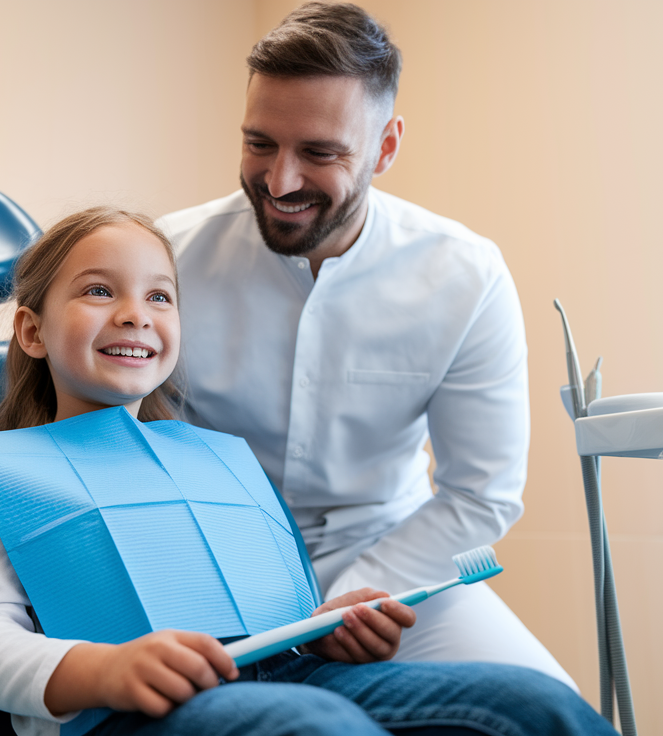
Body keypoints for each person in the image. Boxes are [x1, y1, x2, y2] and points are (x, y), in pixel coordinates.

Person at [0, 206, 614, 735]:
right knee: (314, 726)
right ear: (31, 332)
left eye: (160, 297)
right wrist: (104, 670)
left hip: (296, 679)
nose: (134, 315)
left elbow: (278, 622)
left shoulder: (216, 459)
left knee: (531, 702)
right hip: (132, 714)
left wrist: (329, 632)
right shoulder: (11, 478)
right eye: (98, 290)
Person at [158, 3, 572, 684]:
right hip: (209, 560)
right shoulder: (167, 258)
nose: (280, 180)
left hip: (392, 561)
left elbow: (482, 495)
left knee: (548, 704)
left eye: (319, 153)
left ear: (385, 146)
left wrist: (366, 591)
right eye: (260, 143)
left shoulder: (464, 274)